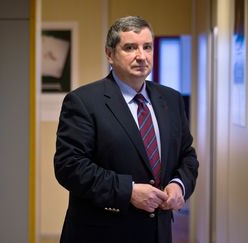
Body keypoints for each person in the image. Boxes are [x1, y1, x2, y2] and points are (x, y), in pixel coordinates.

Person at [54, 16, 199, 243]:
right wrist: (128, 191)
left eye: (147, 47)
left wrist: (179, 185)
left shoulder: (171, 99)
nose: (141, 56)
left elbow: (187, 155)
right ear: (110, 55)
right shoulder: (83, 101)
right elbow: (69, 166)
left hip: (158, 233)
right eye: (130, 47)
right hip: (102, 233)